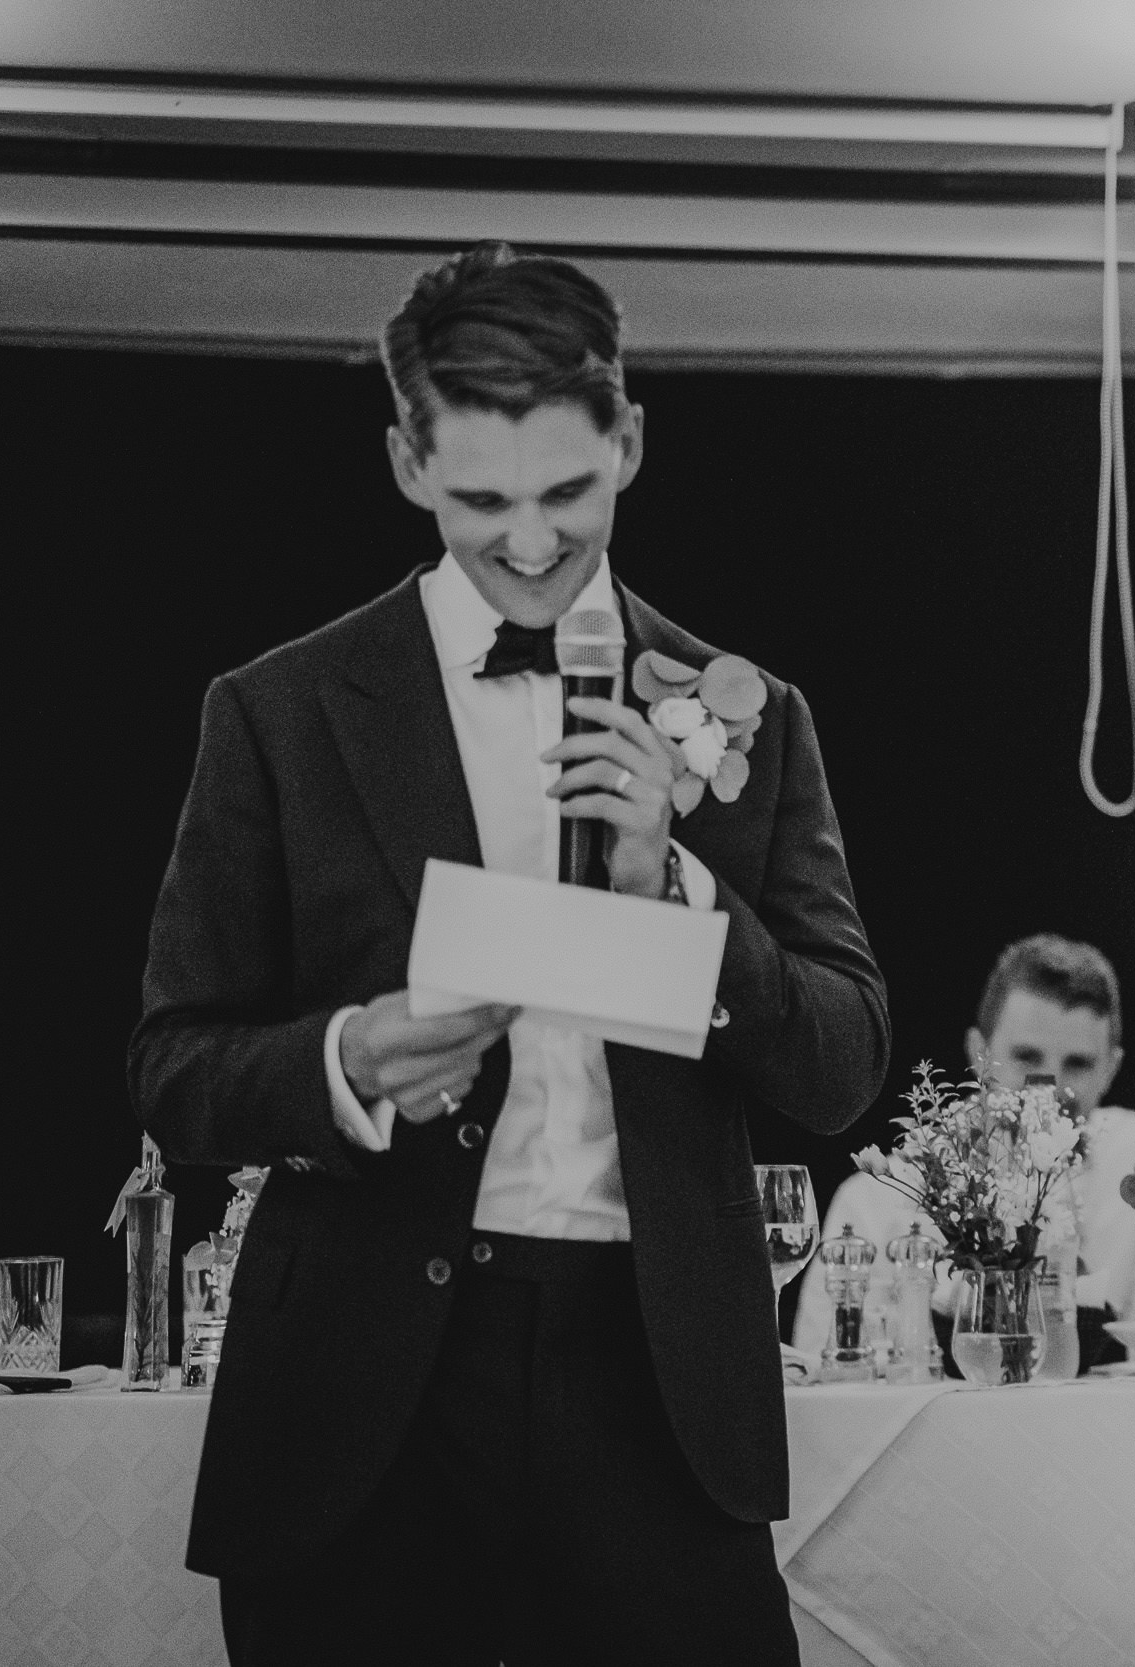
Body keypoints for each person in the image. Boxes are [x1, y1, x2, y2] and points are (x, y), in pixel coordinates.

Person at [130, 243, 890, 1665]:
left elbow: (842, 1063)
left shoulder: (752, 715)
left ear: (631, 443)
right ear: (409, 462)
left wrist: (677, 879)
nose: (531, 543)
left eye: (567, 494)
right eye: (483, 500)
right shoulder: (278, 711)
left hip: (655, 1386)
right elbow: (175, 1064)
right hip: (367, 1395)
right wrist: (346, 1061)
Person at [800, 934, 1135, 1360]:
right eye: (1027, 1057)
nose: (1048, 1086)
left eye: (1078, 1064)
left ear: (1111, 1069)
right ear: (979, 1053)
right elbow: (825, 1375)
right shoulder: (881, 1197)